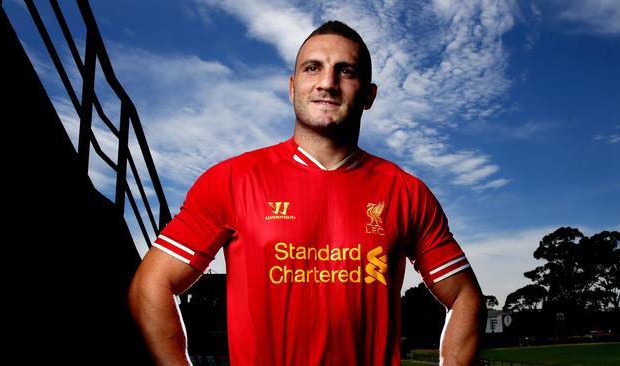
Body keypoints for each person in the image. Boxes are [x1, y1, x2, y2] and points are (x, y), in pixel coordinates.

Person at [129, 20, 485, 366]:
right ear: (292, 86)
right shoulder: (231, 180)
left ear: (369, 95)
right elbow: (152, 284)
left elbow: (466, 296)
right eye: (312, 68)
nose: (327, 83)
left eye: (346, 71)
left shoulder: (407, 192)